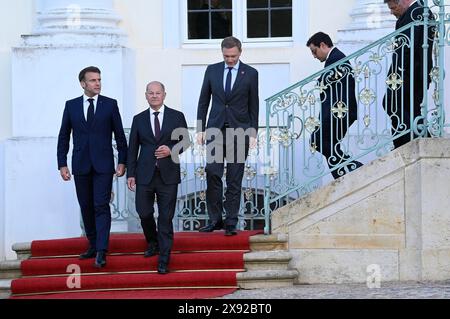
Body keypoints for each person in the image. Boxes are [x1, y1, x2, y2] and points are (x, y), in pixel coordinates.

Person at [57, 66, 128, 268]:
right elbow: (64, 136)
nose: (97, 83)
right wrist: (62, 163)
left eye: (99, 80)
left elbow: (120, 136)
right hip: (80, 164)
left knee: (100, 205)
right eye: (93, 80)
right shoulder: (71, 106)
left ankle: (101, 250)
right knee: (86, 206)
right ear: (83, 84)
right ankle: (92, 243)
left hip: (104, 165)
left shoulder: (110, 105)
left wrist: (122, 161)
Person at [196, 36, 259, 236]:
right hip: (215, 130)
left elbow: (253, 105)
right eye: (226, 56)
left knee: (234, 178)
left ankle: (231, 222)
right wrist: (200, 128)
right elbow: (203, 101)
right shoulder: (212, 70)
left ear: (240, 52)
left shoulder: (250, 73)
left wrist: (253, 132)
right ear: (222, 53)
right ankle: (215, 220)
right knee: (213, 173)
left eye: (233, 56)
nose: (229, 60)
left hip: (239, 131)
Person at [127, 82, 189, 275]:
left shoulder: (176, 116)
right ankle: (152, 242)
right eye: (151, 93)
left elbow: (186, 141)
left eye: (158, 93)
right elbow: (132, 148)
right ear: (146, 96)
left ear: (164, 95)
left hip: (168, 175)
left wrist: (171, 149)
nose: (154, 96)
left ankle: (164, 259)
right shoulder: (138, 119)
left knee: (165, 218)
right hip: (144, 174)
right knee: (143, 212)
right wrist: (130, 174)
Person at [306, 32, 363, 179]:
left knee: (318, 140)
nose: (314, 56)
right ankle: (345, 172)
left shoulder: (336, 58)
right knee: (325, 142)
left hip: (338, 111)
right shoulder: (334, 58)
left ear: (323, 45)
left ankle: (352, 169)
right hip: (337, 111)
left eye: (314, 51)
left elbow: (338, 90)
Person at [383, 0, 434, 149]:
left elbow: (406, 48)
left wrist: (396, 75)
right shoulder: (413, 13)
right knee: (409, 108)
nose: (392, 12)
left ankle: (409, 141)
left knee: (393, 104)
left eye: (393, 7)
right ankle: (418, 141)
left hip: (410, 73)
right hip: (409, 72)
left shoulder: (417, 13)